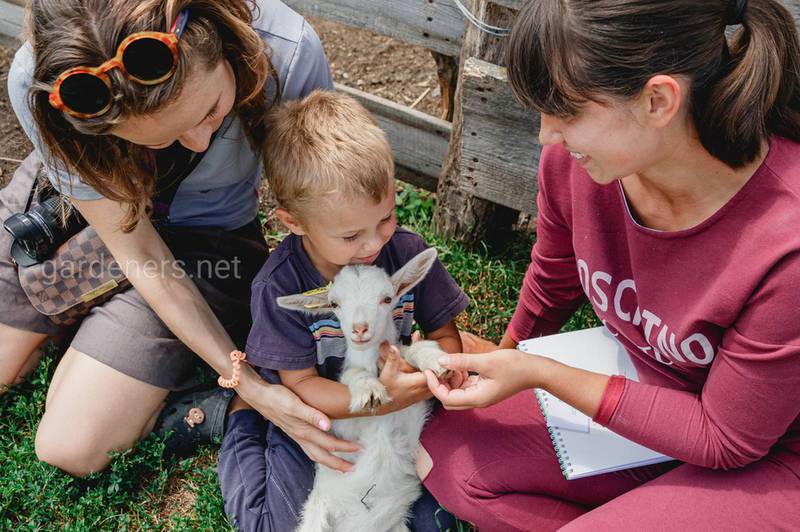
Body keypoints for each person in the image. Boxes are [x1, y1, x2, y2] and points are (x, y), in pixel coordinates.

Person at [418, 0, 800, 530]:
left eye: (566, 111)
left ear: (658, 100)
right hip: (656, 393)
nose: (546, 135)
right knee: (449, 459)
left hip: (771, 453)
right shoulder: (578, 168)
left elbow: (726, 438)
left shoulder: (786, 241)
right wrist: (500, 365)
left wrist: (541, 372)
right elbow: (554, 276)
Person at [0, 0, 359, 479]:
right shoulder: (39, 83)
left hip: (205, 242)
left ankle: (136, 360)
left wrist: (247, 381)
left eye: (210, 112)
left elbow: (328, 198)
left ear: (217, 39)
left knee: (70, 446)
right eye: (154, 139)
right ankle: (92, 333)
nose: (197, 143)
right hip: (86, 215)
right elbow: (138, 250)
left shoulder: (289, 53)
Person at [217, 90, 468, 531]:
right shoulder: (282, 286)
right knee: (276, 525)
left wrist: (432, 373)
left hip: (400, 413)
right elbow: (304, 388)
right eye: (351, 236)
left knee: (439, 521)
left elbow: (446, 337)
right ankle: (238, 419)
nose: (374, 245)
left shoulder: (405, 254)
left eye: (387, 218)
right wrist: (380, 398)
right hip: (321, 413)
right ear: (294, 223)